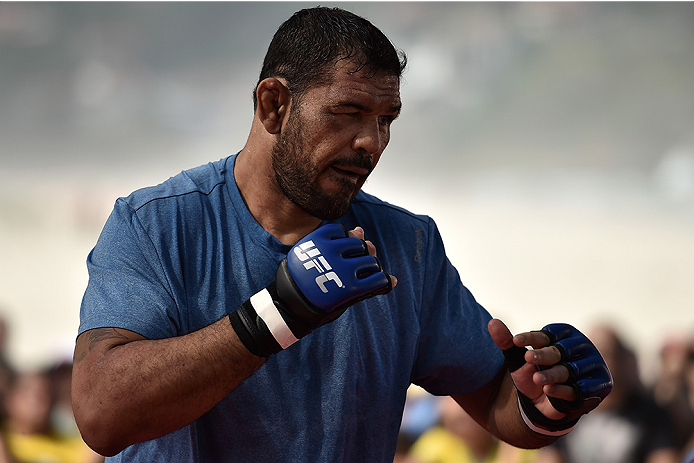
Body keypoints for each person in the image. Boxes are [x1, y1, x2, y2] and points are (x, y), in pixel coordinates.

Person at [71, 6, 613, 462]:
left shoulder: (407, 245)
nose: (370, 143)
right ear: (274, 106)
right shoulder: (156, 226)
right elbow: (101, 415)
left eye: (386, 120)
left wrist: (548, 404)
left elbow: (498, 401)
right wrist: (278, 315)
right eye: (348, 112)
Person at [536, 324, 679, 463]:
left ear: (624, 360)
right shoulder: (563, 410)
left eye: (606, 353)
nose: (593, 361)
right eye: (584, 355)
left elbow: (664, 457)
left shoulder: (651, 415)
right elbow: (549, 457)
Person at [408, 395, 540, 463]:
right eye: (451, 422)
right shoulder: (437, 443)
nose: (455, 429)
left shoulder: (510, 444)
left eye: (460, 422)